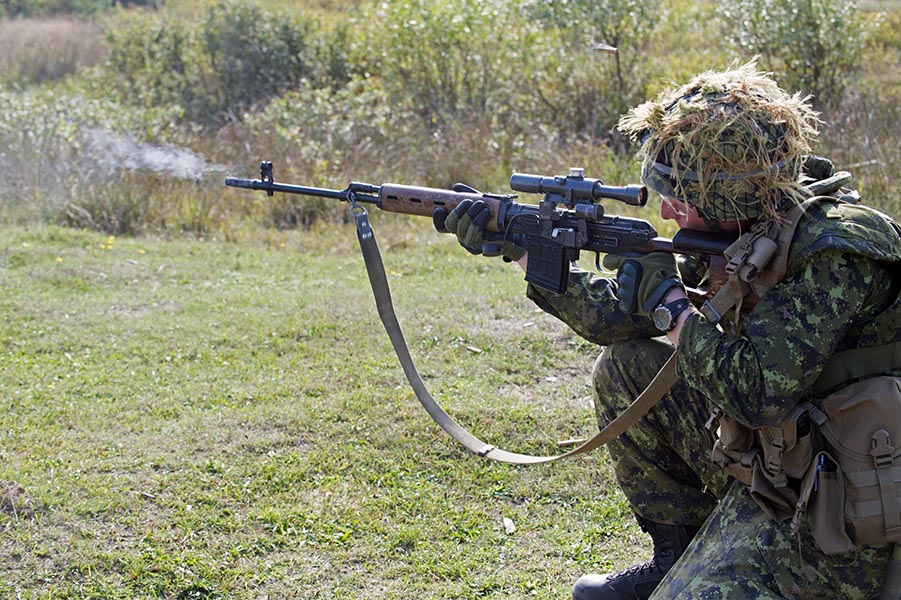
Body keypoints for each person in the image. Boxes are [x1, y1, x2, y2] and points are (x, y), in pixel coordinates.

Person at [436, 62, 900, 599]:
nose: (665, 208)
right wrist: (517, 247)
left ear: (730, 197)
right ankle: (675, 554)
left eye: (679, 196)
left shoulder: (835, 254)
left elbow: (757, 393)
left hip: (847, 505)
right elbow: (617, 317)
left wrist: (674, 314)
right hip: (778, 463)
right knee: (627, 367)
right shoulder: (748, 232)